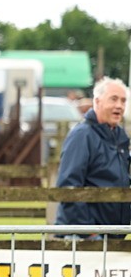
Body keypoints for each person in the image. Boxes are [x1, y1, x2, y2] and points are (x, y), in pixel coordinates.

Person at [54, 77, 129, 236]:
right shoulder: (82, 135)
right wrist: (89, 232)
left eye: (123, 101)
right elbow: (69, 186)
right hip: (84, 237)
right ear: (97, 101)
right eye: (113, 99)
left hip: (113, 235)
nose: (119, 106)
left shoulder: (119, 137)